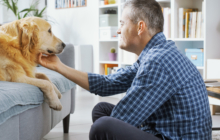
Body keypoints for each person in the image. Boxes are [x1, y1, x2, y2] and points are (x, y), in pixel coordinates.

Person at [38, 0, 212, 139]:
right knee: (101, 110)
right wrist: (58, 66)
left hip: (174, 137)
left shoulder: (157, 62)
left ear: (140, 27)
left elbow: (123, 117)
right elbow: (108, 84)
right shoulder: (156, 53)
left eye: (121, 23)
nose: (118, 31)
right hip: (166, 128)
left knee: (102, 127)